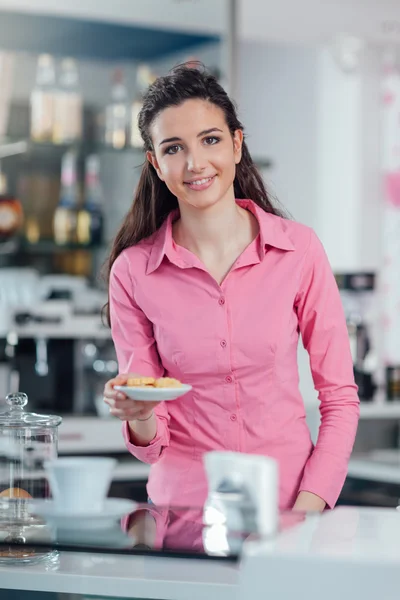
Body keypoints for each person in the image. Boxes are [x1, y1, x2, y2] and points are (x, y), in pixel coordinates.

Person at [103, 64, 359, 512]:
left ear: (237, 143)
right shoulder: (133, 272)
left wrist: (306, 512)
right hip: (183, 516)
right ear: (155, 164)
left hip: (289, 509)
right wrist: (139, 412)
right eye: (173, 148)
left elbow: (339, 398)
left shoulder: (299, 251)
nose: (195, 163)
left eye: (211, 140)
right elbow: (151, 444)